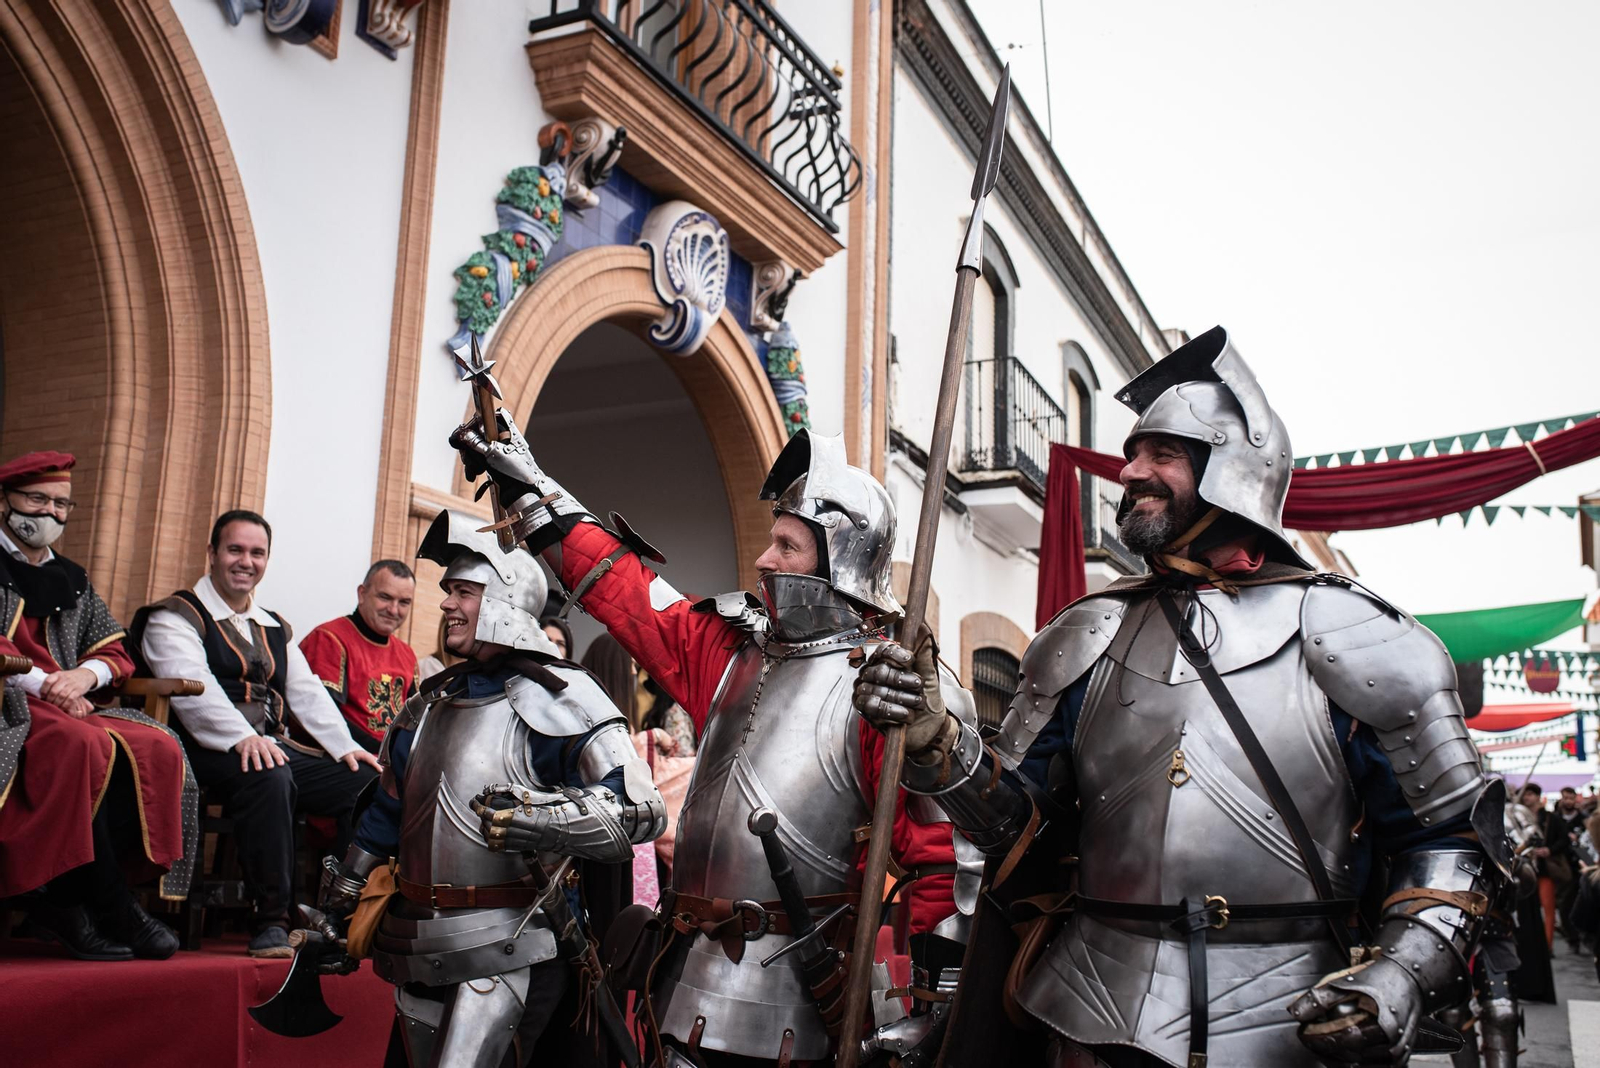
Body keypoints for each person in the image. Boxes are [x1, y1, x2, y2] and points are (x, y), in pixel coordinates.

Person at [853, 327, 1505, 1067]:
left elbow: (1451, 844)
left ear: (1234, 469)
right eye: (1134, 453)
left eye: (1161, 453)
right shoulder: (1085, 633)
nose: (1131, 471)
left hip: (1290, 1016)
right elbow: (1017, 835)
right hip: (1088, 1008)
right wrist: (945, 751)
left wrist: (1401, 972)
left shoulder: (1355, 633)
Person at [452, 419, 971, 1066]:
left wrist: (936, 1004)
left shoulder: (884, 684)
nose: (763, 560)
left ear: (840, 558)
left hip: (807, 998)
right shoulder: (728, 651)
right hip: (683, 979)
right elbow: (624, 587)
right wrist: (534, 494)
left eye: (787, 545)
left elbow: (942, 859)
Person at [318, 510, 664, 1067]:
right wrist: (337, 905)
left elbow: (640, 808)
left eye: (464, 592)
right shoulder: (428, 703)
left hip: (516, 944)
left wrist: (545, 817)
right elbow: (386, 815)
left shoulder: (563, 695)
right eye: (448, 590)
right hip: (417, 942)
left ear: (507, 603)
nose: (447, 604)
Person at [133, 509, 379, 957]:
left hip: (272, 746)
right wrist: (241, 737)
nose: (246, 561)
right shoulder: (174, 616)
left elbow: (306, 694)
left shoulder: (272, 625)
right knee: (270, 775)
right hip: (202, 750)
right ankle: (271, 921)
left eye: (257, 553)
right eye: (235, 550)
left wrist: (346, 748)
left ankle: (341, 915)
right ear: (211, 553)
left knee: (366, 783)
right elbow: (193, 690)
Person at [0, 451, 195, 960]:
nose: (50, 513)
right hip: (10, 700)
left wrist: (86, 676)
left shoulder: (72, 576)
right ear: (5, 501)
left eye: (61, 503)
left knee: (157, 745)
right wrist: (49, 686)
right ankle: (89, 902)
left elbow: (115, 649)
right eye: (37, 499)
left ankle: (99, 896)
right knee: (77, 742)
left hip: (68, 700)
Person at [299, 559, 420, 753]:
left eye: (404, 602)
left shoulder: (407, 655)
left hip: (385, 760)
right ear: (362, 594)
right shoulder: (329, 639)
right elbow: (322, 717)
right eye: (385, 597)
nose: (393, 610)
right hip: (341, 758)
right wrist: (385, 753)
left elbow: (414, 720)